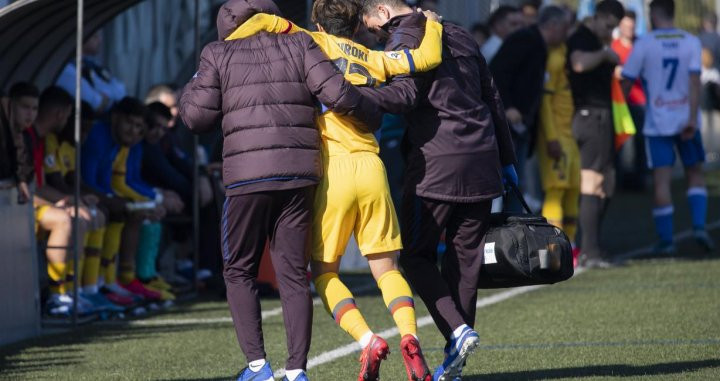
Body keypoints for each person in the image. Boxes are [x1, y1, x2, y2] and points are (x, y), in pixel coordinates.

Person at [227, 1, 442, 380]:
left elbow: (263, 20)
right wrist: (432, 23)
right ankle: (409, 334)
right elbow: (426, 58)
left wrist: (229, 41)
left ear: (316, 20)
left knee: (324, 273)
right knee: (387, 267)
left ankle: (367, 339)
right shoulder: (375, 57)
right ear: (359, 22)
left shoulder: (310, 43)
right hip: (372, 166)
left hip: (332, 170)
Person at [179, 0, 383, 380]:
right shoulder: (301, 45)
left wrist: (192, 85)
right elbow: (338, 94)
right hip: (298, 174)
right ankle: (296, 371)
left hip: (246, 178)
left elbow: (195, 118)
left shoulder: (217, 53)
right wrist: (374, 115)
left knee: (239, 270)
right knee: (292, 273)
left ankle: (257, 367)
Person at [361, 1, 517, 379]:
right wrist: (507, 158)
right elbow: (492, 96)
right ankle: (456, 355)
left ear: (382, 11)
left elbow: (403, 96)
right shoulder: (460, 33)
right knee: (465, 261)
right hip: (482, 159)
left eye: (371, 28)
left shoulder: (404, 35)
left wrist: (352, 96)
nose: (375, 36)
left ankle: (458, 331)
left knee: (415, 257)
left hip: (436, 167)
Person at [621, 0, 715, 254]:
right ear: (673, 13)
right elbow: (695, 82)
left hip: (657, 122)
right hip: (687, 119)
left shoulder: (645, 43)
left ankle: (666, 240)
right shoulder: (691, 41)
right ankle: (698, 227)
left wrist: (616, 110)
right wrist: (693, 118)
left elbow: (626, 82)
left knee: (661, 180)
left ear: (652, 14)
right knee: (694, 172)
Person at [490, 5, 571, 212]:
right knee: (510, 183)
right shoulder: (525, 39)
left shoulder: (539, 45)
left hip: (521, 125)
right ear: (552, 25)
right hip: (509, 124)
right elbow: (497, 72)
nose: (566, 34)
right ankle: (506, 232)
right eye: (564, 28)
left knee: (517, 183)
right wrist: (507, 106)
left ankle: (512, 231)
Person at [566, 0, 624, 268]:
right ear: (598, 17)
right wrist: (604, 54)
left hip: (601, 116)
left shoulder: (597, 40)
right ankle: (588, 250)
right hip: (589, 116)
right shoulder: (583, 37)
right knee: (592, 181)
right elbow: (578, 63)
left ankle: (593, 244)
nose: (610, 33)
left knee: (606, 183)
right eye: (608, 26)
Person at [537, 11, 582, 266]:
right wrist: (551, 137)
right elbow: (544, 101)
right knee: (555, 191)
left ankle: (571, 248)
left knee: (573, 190)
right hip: (556, 137)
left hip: (571, 134)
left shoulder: (566, 51)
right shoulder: (552, 59)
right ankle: (554, 253)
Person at [612, 10, 648, 190]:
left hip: (639, 101)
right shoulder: (613, 47)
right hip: (620, 103)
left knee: (640, 141)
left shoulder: (641, 45)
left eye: (632, 26)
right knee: (619, 142)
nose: (629, 29)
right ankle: (618, 180)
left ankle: (639, 180)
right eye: (625, 26)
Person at [56, 31, 127, 114]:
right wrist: (107, 97)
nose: (100, 40)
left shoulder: (92, 64)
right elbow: (96, 103)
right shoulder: (66, 68)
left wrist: (105, 96)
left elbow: (121, 91)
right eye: (94, 36)